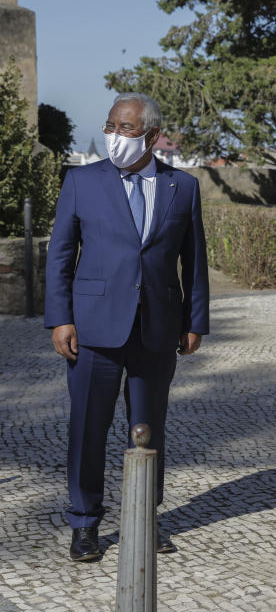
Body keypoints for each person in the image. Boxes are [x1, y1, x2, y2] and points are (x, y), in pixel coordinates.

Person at [44, 93, 209, 561]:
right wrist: (60, 318)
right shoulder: (81, 181)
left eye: (126, 129)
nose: (115, 136)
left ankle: (143, 516)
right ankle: (85, 523)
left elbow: (193, 260)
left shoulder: (184, 187)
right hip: (93, 328)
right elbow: (60, 256)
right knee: (87, 429)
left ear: (153, 136)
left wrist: (194, 320)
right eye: (111, 126)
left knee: (149, 428)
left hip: (156, 328)